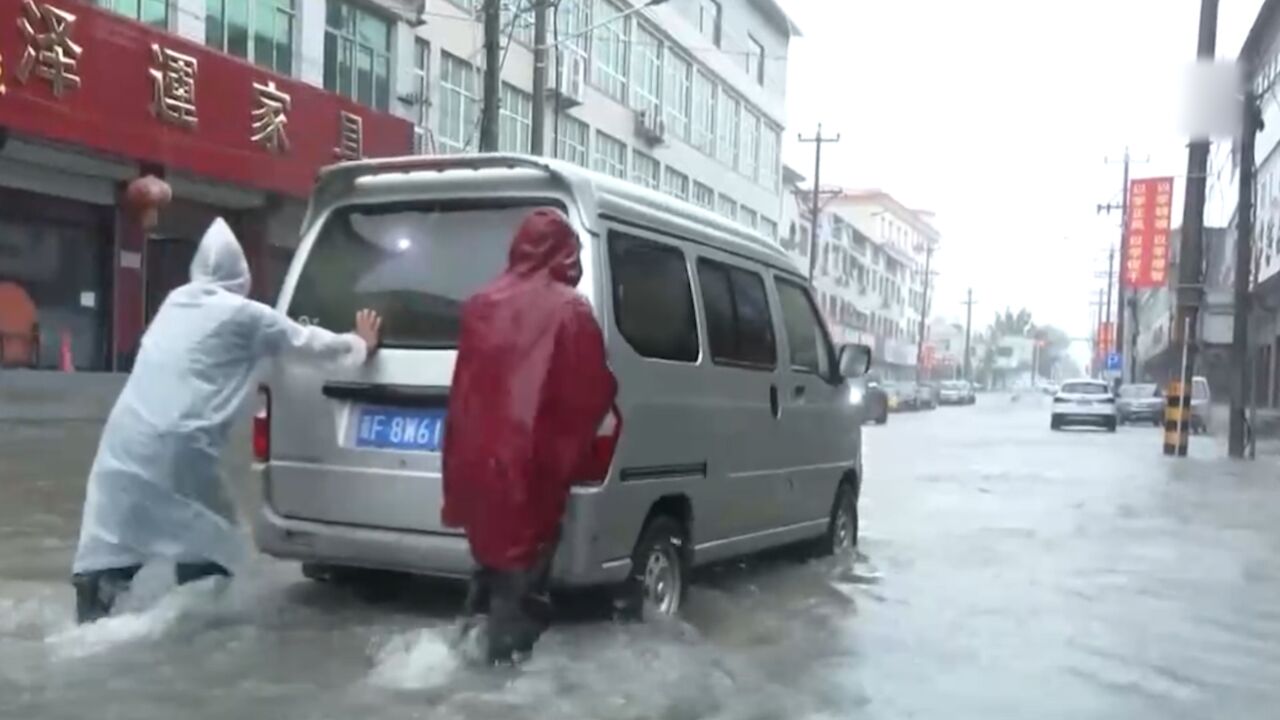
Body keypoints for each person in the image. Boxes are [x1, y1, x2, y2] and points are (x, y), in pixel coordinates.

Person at [71, 217, 382, 624]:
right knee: (215, 542)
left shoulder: (176, 302)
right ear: (242, 274)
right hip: (182, 445)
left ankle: (92, 617)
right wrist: (360, 343)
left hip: (123, 441)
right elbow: (310, 344)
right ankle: (190, 628)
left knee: (114, 539)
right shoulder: (247, 315)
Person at [441, 208, 617, 666]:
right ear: (562, 252)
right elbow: (590, 393)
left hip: (476, 470)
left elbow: (463, 394)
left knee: (489, 576)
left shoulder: (480, 303)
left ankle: (462, 662)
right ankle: (499, 680)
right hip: (528, 475)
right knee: (522, 593)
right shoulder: (570, 310)